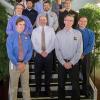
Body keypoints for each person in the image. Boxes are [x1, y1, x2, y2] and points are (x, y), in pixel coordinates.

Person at [55, 15, 83, 100]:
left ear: (73, 22)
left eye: (71, 20)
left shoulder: (78, 33)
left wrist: (71, 62)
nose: (68, 22)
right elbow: (57, 50)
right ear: (64, 21)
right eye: (67, 20)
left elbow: (79, 50)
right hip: (62, 63)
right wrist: (63, 63)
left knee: (75, 84)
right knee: (61, 84)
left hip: (74, 63)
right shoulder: (59, 34)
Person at [6, 17, 33, 100]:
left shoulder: (27, 37)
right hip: (14, 64)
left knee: (26, 87)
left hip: (25, 64)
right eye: (20, 24)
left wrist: (24, 63)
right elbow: (10, 53)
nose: (22, 26)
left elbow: (30, 51)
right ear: (16, 25)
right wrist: (17, 64)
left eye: (24, 25)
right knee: (13, 88)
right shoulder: (10, 37)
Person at [31, 15, 55, 97]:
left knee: (48, 73)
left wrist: (47, 51)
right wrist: (41, 52)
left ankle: (47, 90)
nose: (42, 21)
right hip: (38, 55)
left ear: (46, 21)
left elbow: (53, 41)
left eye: (44, 19)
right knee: (37, 73)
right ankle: (38, 90)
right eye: (40, 19)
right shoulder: (34, 31)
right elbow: (33, 43)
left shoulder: (51, 30)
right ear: (38, 21)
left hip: (49, 54)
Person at [78, 16, 95, 97]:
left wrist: (83, 54)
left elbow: (91, 45)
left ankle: (85, 90)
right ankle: (76, 90)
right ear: (78, 22)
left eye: (85, 21)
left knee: (86, 73)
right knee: (74, 73)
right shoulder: (74, 31)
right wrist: (78, 54)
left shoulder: (90, 32)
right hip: (75, 55)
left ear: (86, 22)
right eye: (81, 21)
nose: (83, 23)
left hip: (86, 55)